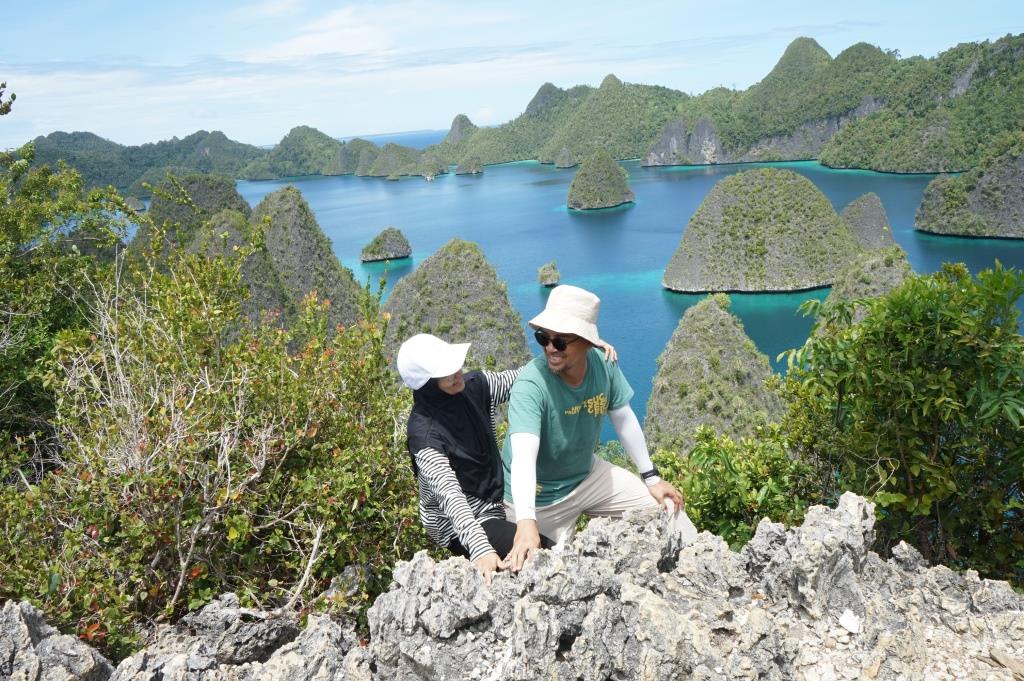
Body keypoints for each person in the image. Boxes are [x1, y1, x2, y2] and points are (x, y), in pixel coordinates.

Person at [397, 333, 618, 583]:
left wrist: (579, 348)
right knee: (546, 557)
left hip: (496, 499)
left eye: (455, 364)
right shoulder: (424, 436)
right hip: (462, 522)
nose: (457, 372)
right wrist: (480, 547)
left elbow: (524, 377)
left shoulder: (474, 387)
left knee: (542, 552)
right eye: (445, 372)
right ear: (425, 383)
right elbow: (450, 497)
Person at [501, 285, 689, 571]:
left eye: (561, 341)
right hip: (540, 497)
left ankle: (702, 568)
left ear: (587, 342)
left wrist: (652, 479)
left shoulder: (603, 364)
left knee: (665, 510)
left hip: (587, 476)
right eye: (543, 338)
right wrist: (526, 520)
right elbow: (523, 455)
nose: (550, 348)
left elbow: (624, 418)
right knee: (540, 575)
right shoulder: (531, 385)